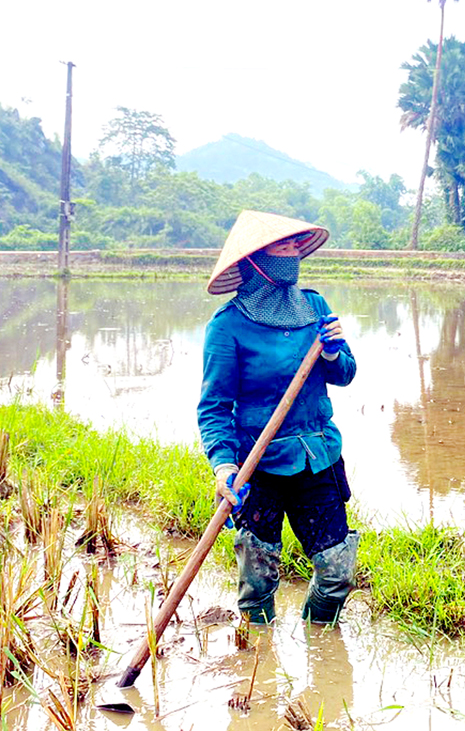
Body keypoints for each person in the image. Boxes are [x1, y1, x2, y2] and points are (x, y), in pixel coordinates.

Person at [198, 209, 358, 626]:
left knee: (338, 573)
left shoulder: (315, 305)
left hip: (316, 457)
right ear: (256, 260)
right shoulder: (228, 327)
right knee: (258, 579)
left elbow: (345, 375)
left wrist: (332, 352)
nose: (293, 254)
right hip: (258, 466)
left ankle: (321, 642)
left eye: (294, 247)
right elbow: (213, 406)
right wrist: (224, 466)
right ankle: (258, 656)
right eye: (282, 247)